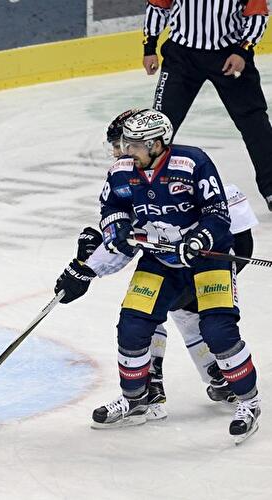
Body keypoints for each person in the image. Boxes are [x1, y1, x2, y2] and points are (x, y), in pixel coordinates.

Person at [68, 109, 260, 442]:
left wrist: (199, 239)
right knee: (132, 323)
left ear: (157, 144)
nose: (127, 150)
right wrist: (119, 229)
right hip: (160, 262)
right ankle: (136, 400)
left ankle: (249, 401)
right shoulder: (121, 172)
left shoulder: (192, 163)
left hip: (206, 260)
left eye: (135, 144)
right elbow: (112, 209)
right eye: (125, 143)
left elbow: (217, 213)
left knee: (217, 328)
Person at [142, 0, 272, 211]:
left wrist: (243, 51)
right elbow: (158, 5)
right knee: (160, 125)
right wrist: (150, 46)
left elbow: (257, 13)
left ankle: (271, 189)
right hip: (182, 56)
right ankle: (143, 189)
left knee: (254, 122)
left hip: (229, 53)